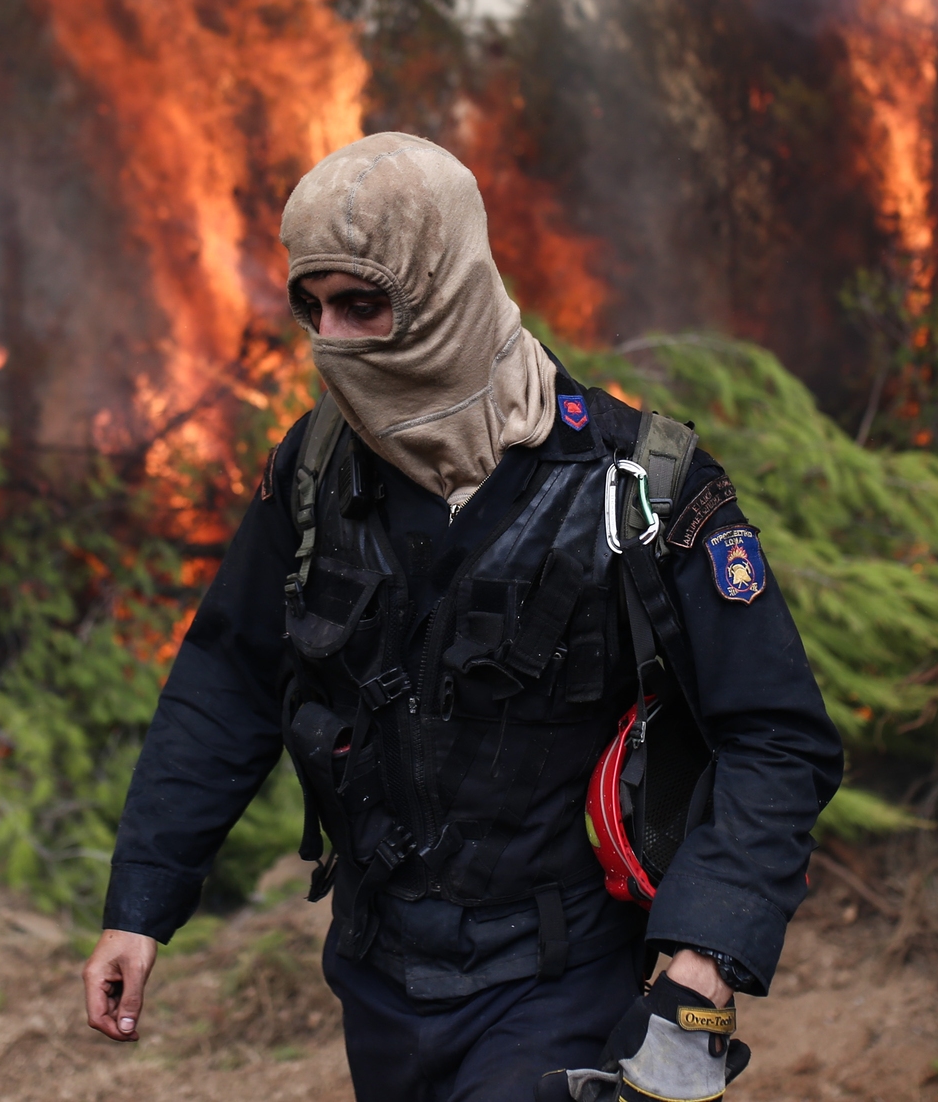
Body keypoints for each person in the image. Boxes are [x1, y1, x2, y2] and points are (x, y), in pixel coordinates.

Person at [81, 134, 843, 1102]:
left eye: (363, 305)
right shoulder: (314, 472)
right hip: (377, 984)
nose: (332, 339)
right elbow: (226, 683)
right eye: (312, 307)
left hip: (561, 986)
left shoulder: (639, 484)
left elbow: (777, 736)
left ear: (442, 287)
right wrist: (141, 903)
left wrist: (704, 958)